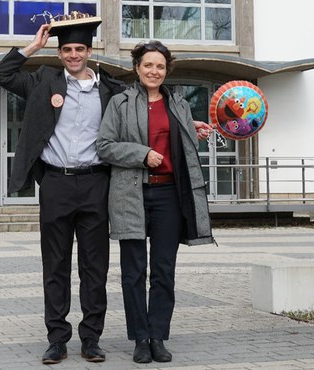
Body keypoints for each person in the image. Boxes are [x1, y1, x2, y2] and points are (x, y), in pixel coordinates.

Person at [0, 16, 125, 365]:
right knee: (56, 266)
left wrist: (190, 122)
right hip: (56, 184)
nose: (73, 55)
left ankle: (91, 338)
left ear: (89, 51)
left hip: (97, 183)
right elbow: (0, 75)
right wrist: (32, 46)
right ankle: (57, 339)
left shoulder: (111, 90)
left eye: (79, 49)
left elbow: (150, 109)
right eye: (66, 49)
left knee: (95, 268)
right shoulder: (42, 81)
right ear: (60, 52)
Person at [96, 40, 214, 364]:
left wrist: (192, 128)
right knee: (133, 272)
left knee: (164, 271)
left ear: (166, 70)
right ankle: (140, 338)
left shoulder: (178, 103)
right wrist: (140, 154)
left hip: (168, 195)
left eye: (160, 66)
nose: (154, 71)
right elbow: (104, 146)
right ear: (137, 68)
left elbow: (172, 137)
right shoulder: (120, 102)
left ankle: (158, 335)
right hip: (130, 194)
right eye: (148, 65)